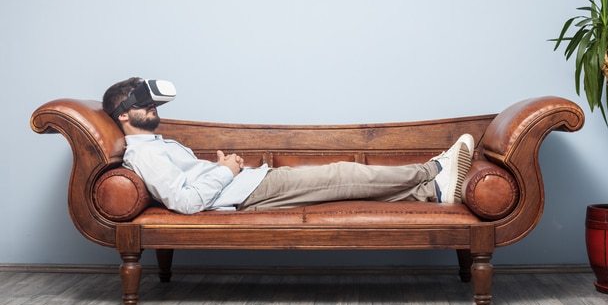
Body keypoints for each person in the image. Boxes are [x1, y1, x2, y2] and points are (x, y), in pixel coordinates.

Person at [103, 77, 473, 215]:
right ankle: (434, 170)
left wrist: (221, 168)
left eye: (152, 103)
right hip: (246, 191)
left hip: (246, 184)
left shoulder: (153, 143)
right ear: (123, 115)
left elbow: (190, 182)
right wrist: (224, 170)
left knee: (345, 189)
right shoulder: (144, 153)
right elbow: (184, 202)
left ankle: (432, 192)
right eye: (142, 104)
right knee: (342, 173)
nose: (151, 108)